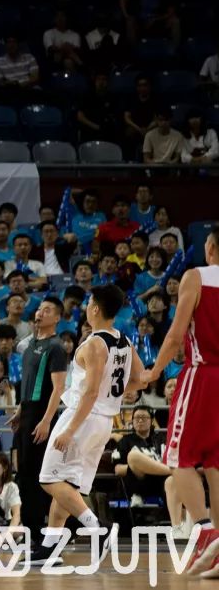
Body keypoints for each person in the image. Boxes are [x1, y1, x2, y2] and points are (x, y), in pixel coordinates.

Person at [33, 284, 145, 565]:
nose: (86, 307)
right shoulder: (124, 341)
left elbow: (91, 391)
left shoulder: (95, 343)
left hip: (82, 417)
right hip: (104, 421)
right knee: (69, 484)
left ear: (95, 308)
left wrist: (69, 430)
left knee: (49, 479)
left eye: (89, 303)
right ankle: (50, 546)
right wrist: (118, 392)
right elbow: (141, 379)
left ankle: (97, 528)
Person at [144, 226, 219, 576]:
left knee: (179, 457)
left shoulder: (196, 276)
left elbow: (176, 334)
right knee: (217, 464)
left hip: (202, 374)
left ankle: (204, 531)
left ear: (212, 247)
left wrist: (153, 372)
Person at [8, 296, 68, 541]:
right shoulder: (30, 344)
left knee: (39, 476)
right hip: (28, 412)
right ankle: (31, 530)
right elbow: (28, 382)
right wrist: (21, 411)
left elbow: (58, 388)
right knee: (24, 474)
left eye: (48, 310)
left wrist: (46, 420)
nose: (41, 313)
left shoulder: (55, 347)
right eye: (40, 309)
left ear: (57, 318)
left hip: (43, 414)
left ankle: (46, 531)